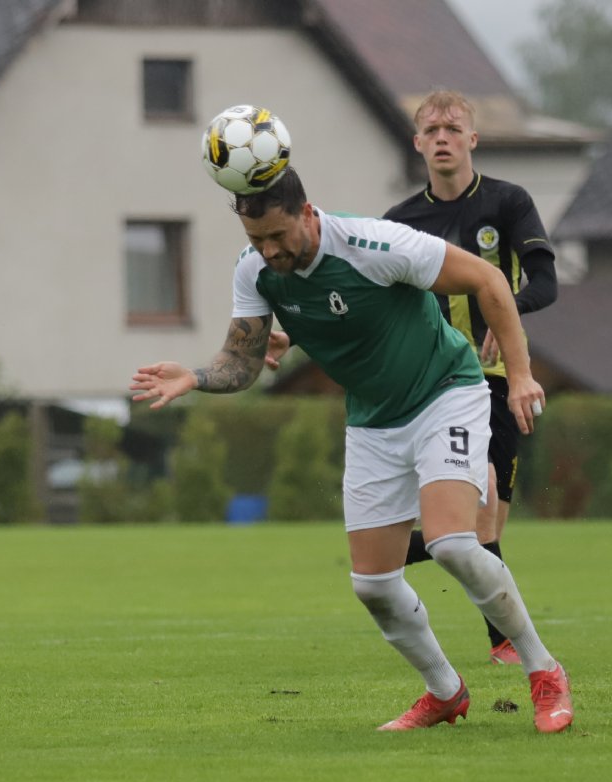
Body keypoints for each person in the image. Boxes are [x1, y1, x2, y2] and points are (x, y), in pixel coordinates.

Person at [130, 166, 573, 733]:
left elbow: (488, 280)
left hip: (446, 393)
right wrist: (194, 376)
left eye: (277, 236)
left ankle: (544, 672)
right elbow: (243, 359)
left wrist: (520, 375)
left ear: (308, 214)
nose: (269, 251)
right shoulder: (255, 272)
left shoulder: (377, 243)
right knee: (373, 585)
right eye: (256, 241)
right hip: (372, 421)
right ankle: (445, 692)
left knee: (452, 544)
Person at [383, 89, 557, 665]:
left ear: (472, 140)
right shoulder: (400, 223)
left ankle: (388, 550)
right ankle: (506, 643)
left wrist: (508, 313)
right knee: (476, 500)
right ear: (417, 144)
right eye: (431, 130)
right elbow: (371, 304)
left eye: (453, 129)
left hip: (502, 378)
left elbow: (545, 283)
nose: (442, 138)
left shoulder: (508, 203)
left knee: (482, 528)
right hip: (434, 385)